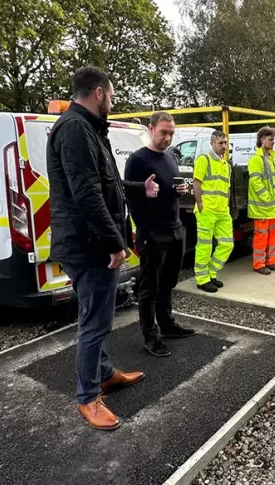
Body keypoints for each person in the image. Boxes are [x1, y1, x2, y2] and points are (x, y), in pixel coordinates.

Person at [47, 66, 153, 430]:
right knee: (95, 322)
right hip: (88, 246)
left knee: (98, 315)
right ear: (97, 93)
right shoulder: (76, 130)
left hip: (89, 242)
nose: (112, 100)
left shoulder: (90, 128)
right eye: (110, 94)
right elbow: (87, 195)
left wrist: (139, 189)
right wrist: (115, 243)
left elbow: (109, 184)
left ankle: (105, 374)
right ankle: (88, 397)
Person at [125, 111, 197, 358]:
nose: (168, 138)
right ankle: (150, 336)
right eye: (164, 132)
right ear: (151, 128)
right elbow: (132, 199)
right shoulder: (137, 160)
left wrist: (180, 190)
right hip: (152, 234)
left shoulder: (170, 157)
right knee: (149, 288)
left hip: (175, 230)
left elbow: (167, 189)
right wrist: (145, 232)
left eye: (171, 133)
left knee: (168, 283)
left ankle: (167, 325)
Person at [192, 130, 234, 293]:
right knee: (205, 246)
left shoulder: (225, 164)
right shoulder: (204, 159)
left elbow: (227, 189)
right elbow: (197, 182)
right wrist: (200, 204)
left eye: (225, 143)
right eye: (220, 143)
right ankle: (202, 279)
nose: (224, 146)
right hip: (207, 211)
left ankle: (211, 272)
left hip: (222, 211)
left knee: (227, 244)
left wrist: (227, 207)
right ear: (212, 143)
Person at [248, 127, 275, 274]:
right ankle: (259, 264)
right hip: (262, 207)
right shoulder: (256, 159)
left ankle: (272, 260)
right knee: (261, 237)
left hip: (270, 207)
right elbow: (255, 182)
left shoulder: (269, 158)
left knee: (273, 235)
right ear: (262, 139)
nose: (273, 143)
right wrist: (267, 198)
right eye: (270, 140)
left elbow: (274, 183)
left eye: (273, 140)